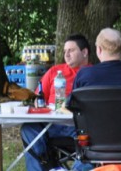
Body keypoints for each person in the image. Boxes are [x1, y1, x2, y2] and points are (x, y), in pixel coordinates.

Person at [20, 34, 91, 171]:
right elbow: (38, 96)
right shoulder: (54, 71)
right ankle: (43, 166)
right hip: (52, 124)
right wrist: (37, 101)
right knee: (28, 128)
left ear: (84, 52)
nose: (67, 54)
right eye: (65, 51)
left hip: (79, 126)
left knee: (95, 137)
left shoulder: (94, 73)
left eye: (71, 50)